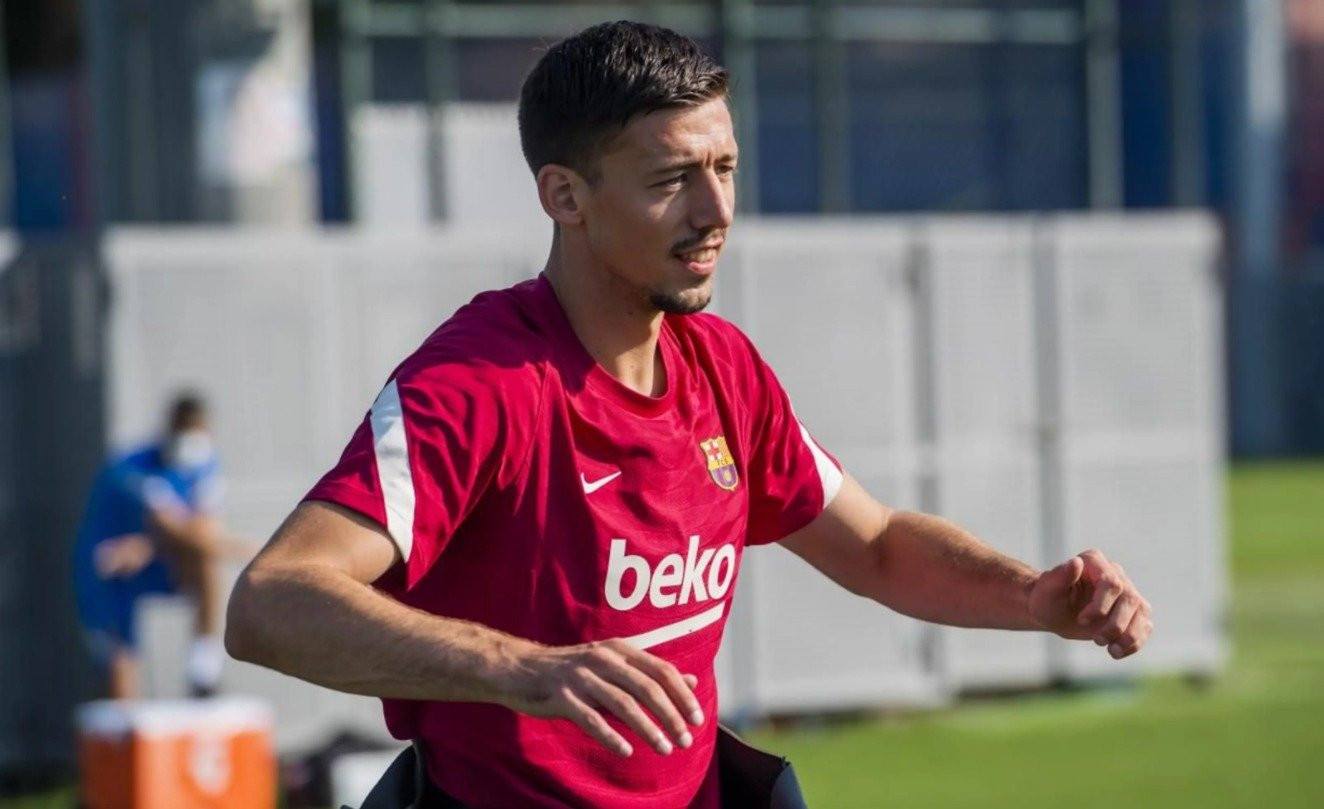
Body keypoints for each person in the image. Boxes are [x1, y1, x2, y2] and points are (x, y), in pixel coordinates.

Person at [225, 21, 1153, 809]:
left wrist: (1030, 597)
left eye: (726, 167)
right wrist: (522, 668)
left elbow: (873, 546)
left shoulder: (722, 368)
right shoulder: (480, 383)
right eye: (672, 178)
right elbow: (271, 602)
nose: (716, 211)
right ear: (565, 197)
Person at [75, 392, 228, 700]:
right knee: (121, 662)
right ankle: (121, 734)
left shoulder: (206, 465)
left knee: (207, 564)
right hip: (111, 571)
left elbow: (203, 529)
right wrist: (242, 547)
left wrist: (152, 546)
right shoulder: (131, 468)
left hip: (155, 560)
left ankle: (203, 673)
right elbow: (175, 528)